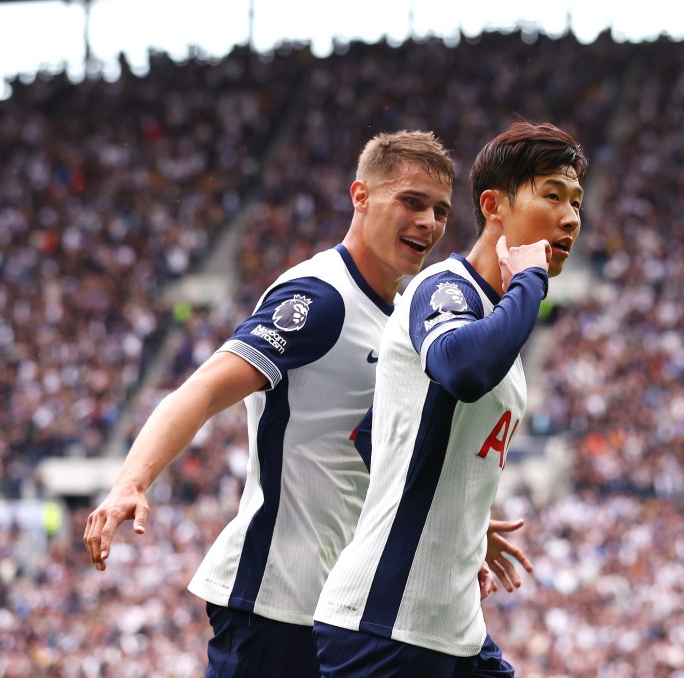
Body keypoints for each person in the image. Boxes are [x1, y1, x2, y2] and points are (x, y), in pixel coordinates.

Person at [82, 130, 533, 677]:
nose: (429, 223)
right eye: (411, 202)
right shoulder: (322, 300)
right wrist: (133, 479)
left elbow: (374, 448)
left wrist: (459, 524)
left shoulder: (405, 318)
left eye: (440, 210)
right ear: (361, 196)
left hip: (352, 608)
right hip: (276, 600)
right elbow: (202, 389)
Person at [312, 120, 588, 677]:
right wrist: (529, 282)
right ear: (493, 205)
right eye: (552, 195)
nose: (571, 218)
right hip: (383, 630)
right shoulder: (445, 289)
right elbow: (461, 370)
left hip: (452, 628)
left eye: (577, 202)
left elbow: (375, 435)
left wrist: (455, 520)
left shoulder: (499, 327)